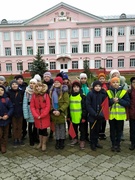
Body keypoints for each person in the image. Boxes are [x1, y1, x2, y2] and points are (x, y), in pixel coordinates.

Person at [107, 77, 130, 152]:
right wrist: (111, 101)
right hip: (112, 116)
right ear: (111, 83)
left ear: (119, 83)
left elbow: (127, 103)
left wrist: (119, 100)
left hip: (120, 116)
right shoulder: (108, 92)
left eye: (117, 82)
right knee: (112, 130)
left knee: (119, 131)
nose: (115, 84)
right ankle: (113, 144)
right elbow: (106, 103)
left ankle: (118, 144)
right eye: (113, 82)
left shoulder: (124, 92)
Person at [86, 80, 107, 151]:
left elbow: (105, 105)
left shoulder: (103, 94)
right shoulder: (90, 94)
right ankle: (92, 143)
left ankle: (96, 141)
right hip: (92, 116)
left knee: (98, 129)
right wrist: (94, 114)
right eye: (96, 86)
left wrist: (101, 114)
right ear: (93, 87)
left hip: (100, 116)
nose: (98, 88)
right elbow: (88, 105)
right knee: (92, 130)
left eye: (99, 86)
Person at [50, 76, 69, 150]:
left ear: (61, 83)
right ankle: (57, 140)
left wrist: (60, 110)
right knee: (56, 128)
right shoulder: (51, 91)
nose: (56, 83)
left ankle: (62, 141)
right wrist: (53, 110)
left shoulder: (64, 91)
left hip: (61, 113)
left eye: (58, 82)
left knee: (62, 127)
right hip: (54, 112)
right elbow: (50, 102)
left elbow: (66, 102)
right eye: (55, 82)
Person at [30, 82, 50, 151]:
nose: (38, 88)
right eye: (37, 86)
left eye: (40, 86)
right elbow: (32, 106)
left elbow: (48, 106)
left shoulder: (46, 95)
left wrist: (42, 115)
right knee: (39, 130)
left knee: (44, 130)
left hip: (44, 116)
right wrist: (36, 115)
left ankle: (44, 143)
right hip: (37, 115)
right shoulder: (34, 95)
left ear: (42, 87)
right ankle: (40, 142)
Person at [69, 80, 87, 149]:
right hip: (73, 116)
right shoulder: (70, 96)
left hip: (80, 117)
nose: (75, 88)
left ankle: (82, 140)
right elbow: (68, 107)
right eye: (74, 87)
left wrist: (84, 117)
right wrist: (68, 116)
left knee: (82, 130)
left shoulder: (82, 96)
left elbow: (85, 108)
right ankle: (75, 139)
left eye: (77, 87)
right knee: (74, 129)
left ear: (79, 88)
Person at [7, 80, 25, 147]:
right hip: (12, 112)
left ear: (18, 85)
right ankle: (15, 139)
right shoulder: (9, 93)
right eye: (13, 84)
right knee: (14, 126)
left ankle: (19, 138)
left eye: (16, 84)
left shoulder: (21, 92)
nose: (14, 85)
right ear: (11, 85)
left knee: (20, 126)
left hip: (20, 111)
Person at [23, 78, 38, 146]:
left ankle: (35, 137)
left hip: (36, 110)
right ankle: (31, 139)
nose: (32, 85)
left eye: (34, 83)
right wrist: (26, 114)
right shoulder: (26, 91)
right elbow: (25, 103)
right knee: (30, 125)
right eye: (31, 83)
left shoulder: (37, 91)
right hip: (29, 110)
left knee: (36, 125)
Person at [0, 85, 13, 153]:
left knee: (5, 134)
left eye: (2, 90)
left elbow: (11, 108)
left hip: (6, 120)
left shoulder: (7, 99)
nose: (0, 91)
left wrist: (7, 115)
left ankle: (3, 146)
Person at [14, 75, 28, 140]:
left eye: (21, 79)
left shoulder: (25, 87)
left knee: (24, 121)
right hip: (17, 107)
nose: (20, 80)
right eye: (18, 79)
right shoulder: (14, 87)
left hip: (24, 106)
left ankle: (24, 133)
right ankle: (17, 134)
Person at [98, 73, 109, 140]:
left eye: (103, 78)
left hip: (105, 105)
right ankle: (99, 132)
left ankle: (103, 132)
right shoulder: (97, 85)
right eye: (100, 79)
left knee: (104, 120)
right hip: (99, 105)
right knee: (99, 119)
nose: (102, 80)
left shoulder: (107, 86)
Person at [43, 71, 54, 139]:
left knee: (52, 120)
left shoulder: (53, 84)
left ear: (50, 77)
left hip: (52, 104)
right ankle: (45, 133)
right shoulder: (42, 84)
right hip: (44, 105)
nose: (46, 78)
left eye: (48, 77)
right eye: (45, 77)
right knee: (46, 119)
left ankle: (51, 133)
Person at [79, 73, 90, 142]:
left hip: (87, 108)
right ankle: (82, 136)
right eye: (82, 78)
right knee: (81, 124)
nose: (83, 80)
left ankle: (86, 135)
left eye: (84, 78)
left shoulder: (88, 88)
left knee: (85, 123)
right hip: (80, 108)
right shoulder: (78, 87)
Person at [128, 77, 135, 150]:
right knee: (132, 129)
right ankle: (133, 143)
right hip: (132, 113)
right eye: (133, 82)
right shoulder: (129, 92)